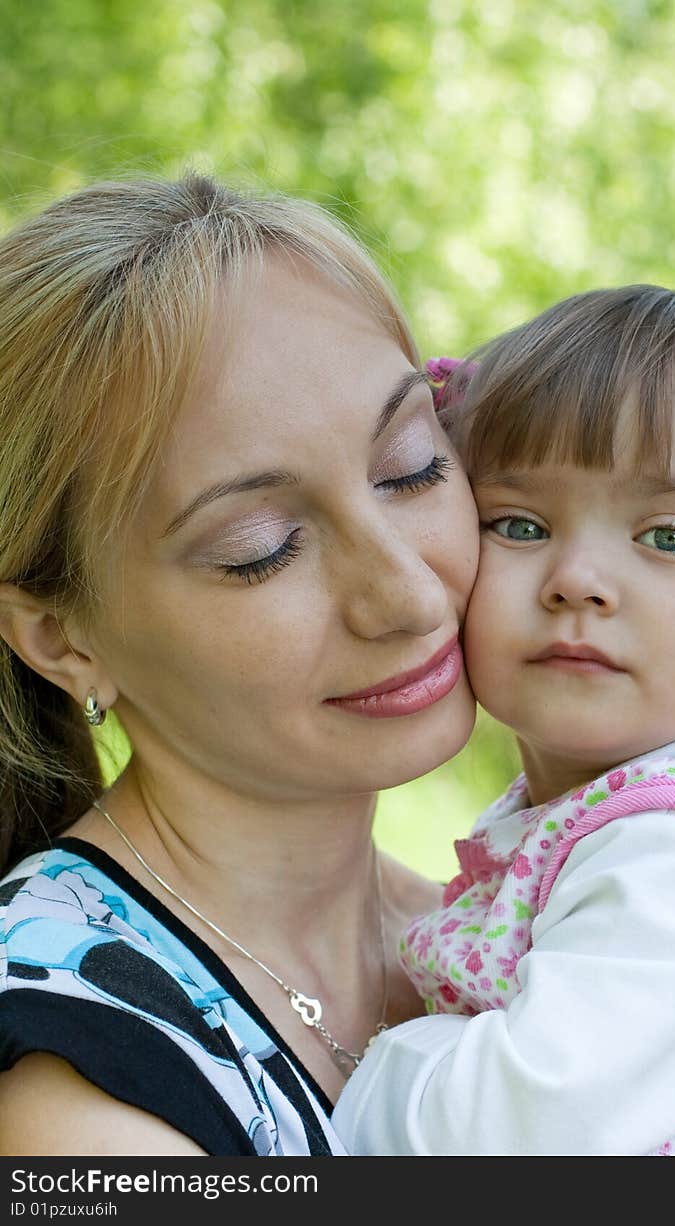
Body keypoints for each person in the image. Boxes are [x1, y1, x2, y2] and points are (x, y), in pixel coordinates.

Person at [332, 285, 675, 1157]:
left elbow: (486, 1143)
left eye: (669, 538)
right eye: (517, 523)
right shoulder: (623, 813)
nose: (578, 578)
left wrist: (378, 1062)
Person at [0, 173, 480, 1156]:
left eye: (411, 466)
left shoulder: (486, 930)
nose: (413, 596)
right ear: (61, 636)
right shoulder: (73, 1095)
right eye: (258, 546)